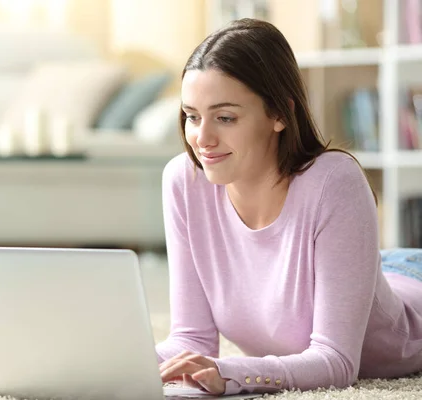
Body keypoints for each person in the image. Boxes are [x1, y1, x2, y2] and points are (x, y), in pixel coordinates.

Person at [156, 18, 422, 396]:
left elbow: (336, 361)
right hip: (376, 265)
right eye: (192, 117)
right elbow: (190, 341)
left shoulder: (334, 181)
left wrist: (230, 374)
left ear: (280, 114)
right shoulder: (184, 181)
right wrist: (101, 364)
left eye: (225, 117)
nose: (203, 138)